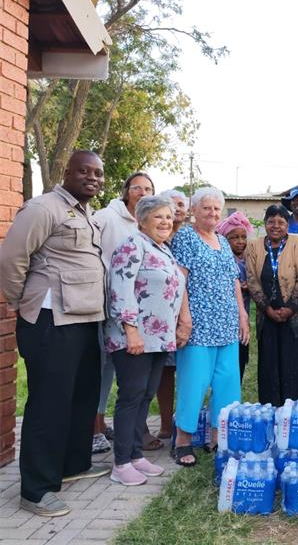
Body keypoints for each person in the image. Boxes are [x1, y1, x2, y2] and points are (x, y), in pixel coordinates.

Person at [0, 151, 109, 517]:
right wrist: (20, 301)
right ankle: (36, 489)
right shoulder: (43, 208)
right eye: (84, 171)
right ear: (67, 172)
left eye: (98, 173)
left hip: (84, 317)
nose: (93, 178)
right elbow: (11, 258)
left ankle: (72, 465)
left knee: (81, 397)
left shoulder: (86, 213)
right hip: (50, 318)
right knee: (49, 403)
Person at [104, 196, 186, 486]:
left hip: (158, 339)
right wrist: (131, 329)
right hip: (134, 337)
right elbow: (121, 288)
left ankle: (137, 455)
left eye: (168, 216)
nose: (165, 222)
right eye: (158, 217)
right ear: (142, 220)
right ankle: (121, 462)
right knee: (131, 397)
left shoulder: (163, 250)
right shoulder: (132, 245)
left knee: (145, 396)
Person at [171, 187, 250, 466]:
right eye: (206, 208)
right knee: (194, 382)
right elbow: (179, 280)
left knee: (227, 383)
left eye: (217, 209)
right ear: (194, 210)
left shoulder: (222, 240)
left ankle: (218, 438)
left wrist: (242, 315)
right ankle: (182, 440)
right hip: (198, 325)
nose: (212, 213)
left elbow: (233, 282)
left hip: (227, 323)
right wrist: (185, 318)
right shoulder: (185, 238)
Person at [93, 172, 157, 454]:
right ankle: (95, 425)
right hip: (108, 303)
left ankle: (127, 429)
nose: (143, 191)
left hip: (140, 311)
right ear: (126, 191)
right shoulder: (108, 216)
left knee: (131, 377)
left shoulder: (150, 223)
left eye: (149, 188)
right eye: (137, 187)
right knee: (103, 366)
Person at [246, 205, 298, 406]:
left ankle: (295, 413)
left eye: (281, 222)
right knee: (270, 365)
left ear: (288, 225)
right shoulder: (254, 246)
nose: (276, 226)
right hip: (268, 316)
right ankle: (272, 410)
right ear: (265, 223)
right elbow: (252, 279)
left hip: (295, 315)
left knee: (294, 364)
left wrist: (290, 308)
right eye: (271, 221)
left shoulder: (297, 242)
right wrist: (267, 309)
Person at [153, 189, 191, 440]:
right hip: (162, 314)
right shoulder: (156, 237)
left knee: (187, 368)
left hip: (187, 314)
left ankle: (186, 420)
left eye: (181, 205)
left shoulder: (189, 237)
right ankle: (166, 422)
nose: (177, 209)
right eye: (172, 204)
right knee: (164, 371)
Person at [217, 211, 255, 382]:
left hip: (243, 316)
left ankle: (235, 392)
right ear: (225, 239)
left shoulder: (247, 259)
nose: (241, 241)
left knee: (241, 356)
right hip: (225, 317)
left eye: (243, 237)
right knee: (225, 360)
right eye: (235, 238)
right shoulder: (223, 259)